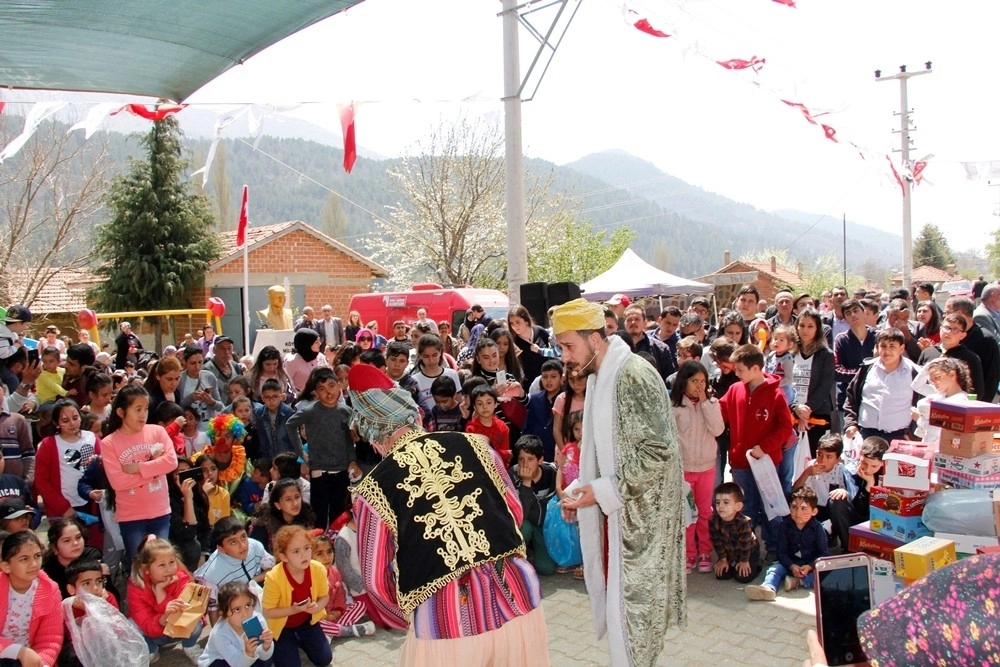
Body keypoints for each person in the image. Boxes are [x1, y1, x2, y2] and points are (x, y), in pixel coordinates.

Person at [347, 362, 550, 665]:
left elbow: (376, 580)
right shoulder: (477, 445)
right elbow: (514, 511)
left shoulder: (372, 491)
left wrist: (410, 616)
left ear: (372, 432)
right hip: (516, 599)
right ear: (413, 414)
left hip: (445, 624)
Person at [551, 298, 685, 667]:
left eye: (569, 346)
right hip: (620, 519)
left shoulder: (633, 375)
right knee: (624, 620)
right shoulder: (600, 375)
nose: (565, 357)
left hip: (642, 523)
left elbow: (660, 452)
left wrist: (602, 491)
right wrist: (586, 487)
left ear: (595, 339)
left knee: (636, 622)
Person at [719, 343, 794, 561]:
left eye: (740, 369)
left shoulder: (776, 395)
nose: (736, 373)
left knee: (769, 506)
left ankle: (774, 550)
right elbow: (720, 412)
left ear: (755, 369)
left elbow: (785, 427)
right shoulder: (734, 390)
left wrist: (766, 447)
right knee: (745, 507)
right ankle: (748, 551)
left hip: (766, 462)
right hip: (741, 462)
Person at [100, 385, 179, 563]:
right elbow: (118, 483)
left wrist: (138, 468)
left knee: (161, 562)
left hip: (160, 511)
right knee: (138, 565)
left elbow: (171, 462)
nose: (143, 414)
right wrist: (155, 468)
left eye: (145, 409)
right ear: (121, 412)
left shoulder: (157, 431)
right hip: (131, 515)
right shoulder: (109, 443)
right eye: (137, 410)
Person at [285, 367, 359, 529]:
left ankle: (335, 547)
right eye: (322, 389)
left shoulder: (346, 411)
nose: (328, 392)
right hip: (318, 470)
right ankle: (318, 547)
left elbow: (349, 439)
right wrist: (302, 454)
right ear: (315, 393)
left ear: (339, 385)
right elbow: (290, 425)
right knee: (318, 513)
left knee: (339, 514)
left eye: (332, 386)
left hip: (341, 470)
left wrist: (352, 460)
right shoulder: (310, 411)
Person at [671, 361, 724, 574]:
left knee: (704, 512)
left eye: (703, 381)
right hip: (683, 469)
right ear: (684, 381)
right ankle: (688, 553)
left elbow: (718, 429)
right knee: (687, 513)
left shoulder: (711, 403)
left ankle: (704, 551)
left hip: (706, 467)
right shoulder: (674, 405)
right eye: (694, 381)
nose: (699, 386)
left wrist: (705, 403)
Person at [261, 526, 332, 667]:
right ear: (283, 556)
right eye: (296, 551)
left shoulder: (318, 569)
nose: (304, 555)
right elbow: (267, 612)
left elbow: (325, 597)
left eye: (307, 548)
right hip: (282, 627)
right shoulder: (274, 577)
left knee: (324, 659)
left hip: (307, 621)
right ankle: (282, 646)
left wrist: (317, 607)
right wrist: (293, 610)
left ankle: (302, 641)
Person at [127, 537, 204, 663]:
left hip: (180, 631)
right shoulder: (136, 587)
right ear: (146, 569)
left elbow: (187, 613)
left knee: (197, 621)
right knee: (130, 626)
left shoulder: (181, 577)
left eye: (171, 562)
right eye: (162, 565)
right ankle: (152, 649)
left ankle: (189, 646)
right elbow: (145, 622)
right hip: (154, 633)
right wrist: (161, 620)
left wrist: (161, 594)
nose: (169, 569)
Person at [745, 486, 828, 601]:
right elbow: (781, 552)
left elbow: (823, 553)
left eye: (804, 508)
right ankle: (768, 588)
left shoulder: (817, 528)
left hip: (809, 565)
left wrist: (810, 566)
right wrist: (791, 565)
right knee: (773, 569)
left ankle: (798, 582)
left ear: (814, 511)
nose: (798, 512)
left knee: (823, 573)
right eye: (794, 507)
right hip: (790, 563)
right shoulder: (785, 526)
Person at [844, 328, 920, 443]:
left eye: (892, 346)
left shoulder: (914, 373)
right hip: (866, 435)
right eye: (883, 346)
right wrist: (850, 423)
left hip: (899, 437)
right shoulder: (867, 368)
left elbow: (923, 406)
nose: (887, 351)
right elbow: (851, 397)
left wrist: (915, 434)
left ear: (902, 348)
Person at [0, 532, 63, 667]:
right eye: (24, 559)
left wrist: (43, 663)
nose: (34, 564)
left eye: (37, 556)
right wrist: (18, 652)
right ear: (6, 566)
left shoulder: (50, 590)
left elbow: (51, 638)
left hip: (32, 660)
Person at [195, 517, 272, 624]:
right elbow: (214, 611)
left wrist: (251, 581)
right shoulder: (210, 576)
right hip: (231, 612)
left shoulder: (254, 545)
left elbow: (271, 569)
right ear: (221, 548)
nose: (243, 545)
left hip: (254, 598)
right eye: (233, 542)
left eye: (243, 537)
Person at [34, 399, 100, 520]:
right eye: (65, 420)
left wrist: (98, 461)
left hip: (92, 502)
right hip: (64, 508)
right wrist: (63, 508)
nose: (72, 423)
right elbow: (41, 481)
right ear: (56, 423)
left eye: (75, 418)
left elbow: (104, 466)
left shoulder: (92, 438)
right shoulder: (48, 445)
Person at [789, 309, 835, 459]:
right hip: (793, 412)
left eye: (810, 326)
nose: (805, 330)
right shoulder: (790, 353)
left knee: (814, 459)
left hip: (816, 414)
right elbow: (786, 384)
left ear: (818, 329)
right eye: (801, 325)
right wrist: (796, 408)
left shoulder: (826, 355)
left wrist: (806, 412)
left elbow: (825, 386)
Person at [510, 435, 558, 576]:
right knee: (523, 527)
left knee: (546, 569)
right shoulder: (513, 474)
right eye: (521, 459)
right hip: (524, 523)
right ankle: (517, 557)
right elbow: (520, 515)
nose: (525, 464)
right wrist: (526, 483)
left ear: (540, 460)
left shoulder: (552, 474)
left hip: (544, 526)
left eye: (530, 459)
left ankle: (533, 550)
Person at [312, 533, 374, 639]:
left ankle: (333, 632)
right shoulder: (310, 576)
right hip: (319, 617)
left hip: (334, 615)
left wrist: (338, 611)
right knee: (314, 624)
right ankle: (346, 630)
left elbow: (340, 595)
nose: (326, 557)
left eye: (329, 552)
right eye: (320, 554)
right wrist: (324, 615)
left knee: (360, 605)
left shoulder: (334, 571)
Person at [200, 580, 275, 667]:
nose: (245, 614)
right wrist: (248, 653)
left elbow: (264, 657)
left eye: (248, 605)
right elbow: (236, 664)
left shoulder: (258, 620)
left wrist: (267, 646)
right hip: (220, 659)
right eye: (237, 610)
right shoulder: (219, 634)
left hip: (244, 658)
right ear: (224, 614)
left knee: (265, 662)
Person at [709, 482, 760, 584]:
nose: (720, 506)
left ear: (738, 506)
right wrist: (723, 559)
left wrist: (744, 561)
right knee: (721, 575)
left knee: (743, 577)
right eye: (718, 502)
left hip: (748, 551)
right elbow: (717, 542)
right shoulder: (713, 520)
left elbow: (745, 545)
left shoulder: (744, 522)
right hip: (729, 550)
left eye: (726, 502)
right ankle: (733, 564)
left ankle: (757, 565)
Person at [522, 359, 563, 461]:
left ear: (561, 379)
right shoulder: (535, 398)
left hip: (557, 450)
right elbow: (528, 426)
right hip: (536, 451)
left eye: (553, 377)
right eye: (545, 377)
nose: (548, 380)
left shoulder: (565, 399)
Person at [178, 346, 225, 430]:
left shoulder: (209, 376)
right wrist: (191, 398)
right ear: (185, 362)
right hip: (189, 430)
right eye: (193, 363)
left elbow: (221, 406)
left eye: (200, 362)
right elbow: (177, 408)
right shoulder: (180, 379)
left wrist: (211, 401)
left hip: (209, 429)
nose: (197, 366)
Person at [464, 384, 511, 467]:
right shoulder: (471, 429)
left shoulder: (503, 427)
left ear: (496, 403)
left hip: (501, 470)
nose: (485, 407)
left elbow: (507, 457)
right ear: (474, 406)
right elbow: (475, 456)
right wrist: (502, 453)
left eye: (489, 402)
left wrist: (505, 454)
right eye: (479, 404)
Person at [253, 379, 295, 459]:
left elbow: (293, 440)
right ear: (262, 398)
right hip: (269, 456)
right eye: (267, 397)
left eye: (275, 397)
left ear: (281, 396)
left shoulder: (289, 413)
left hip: (287, 457)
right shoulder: (259, 413)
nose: (271, 401)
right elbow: (262, 440)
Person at [206, 337, 247, 406]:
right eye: (222, 348)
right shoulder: (207, 369)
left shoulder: (235, 366)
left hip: (236, 412)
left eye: (229, 348)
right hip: (216, 413)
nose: (226, 352)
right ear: (214, 350)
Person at [285, 329, 325, 394]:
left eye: (319, 341)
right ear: (307, 344)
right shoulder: (292, 362)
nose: (320, 344)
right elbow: (287, 383)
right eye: (316, 342)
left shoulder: (321, 357)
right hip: (302, 399)